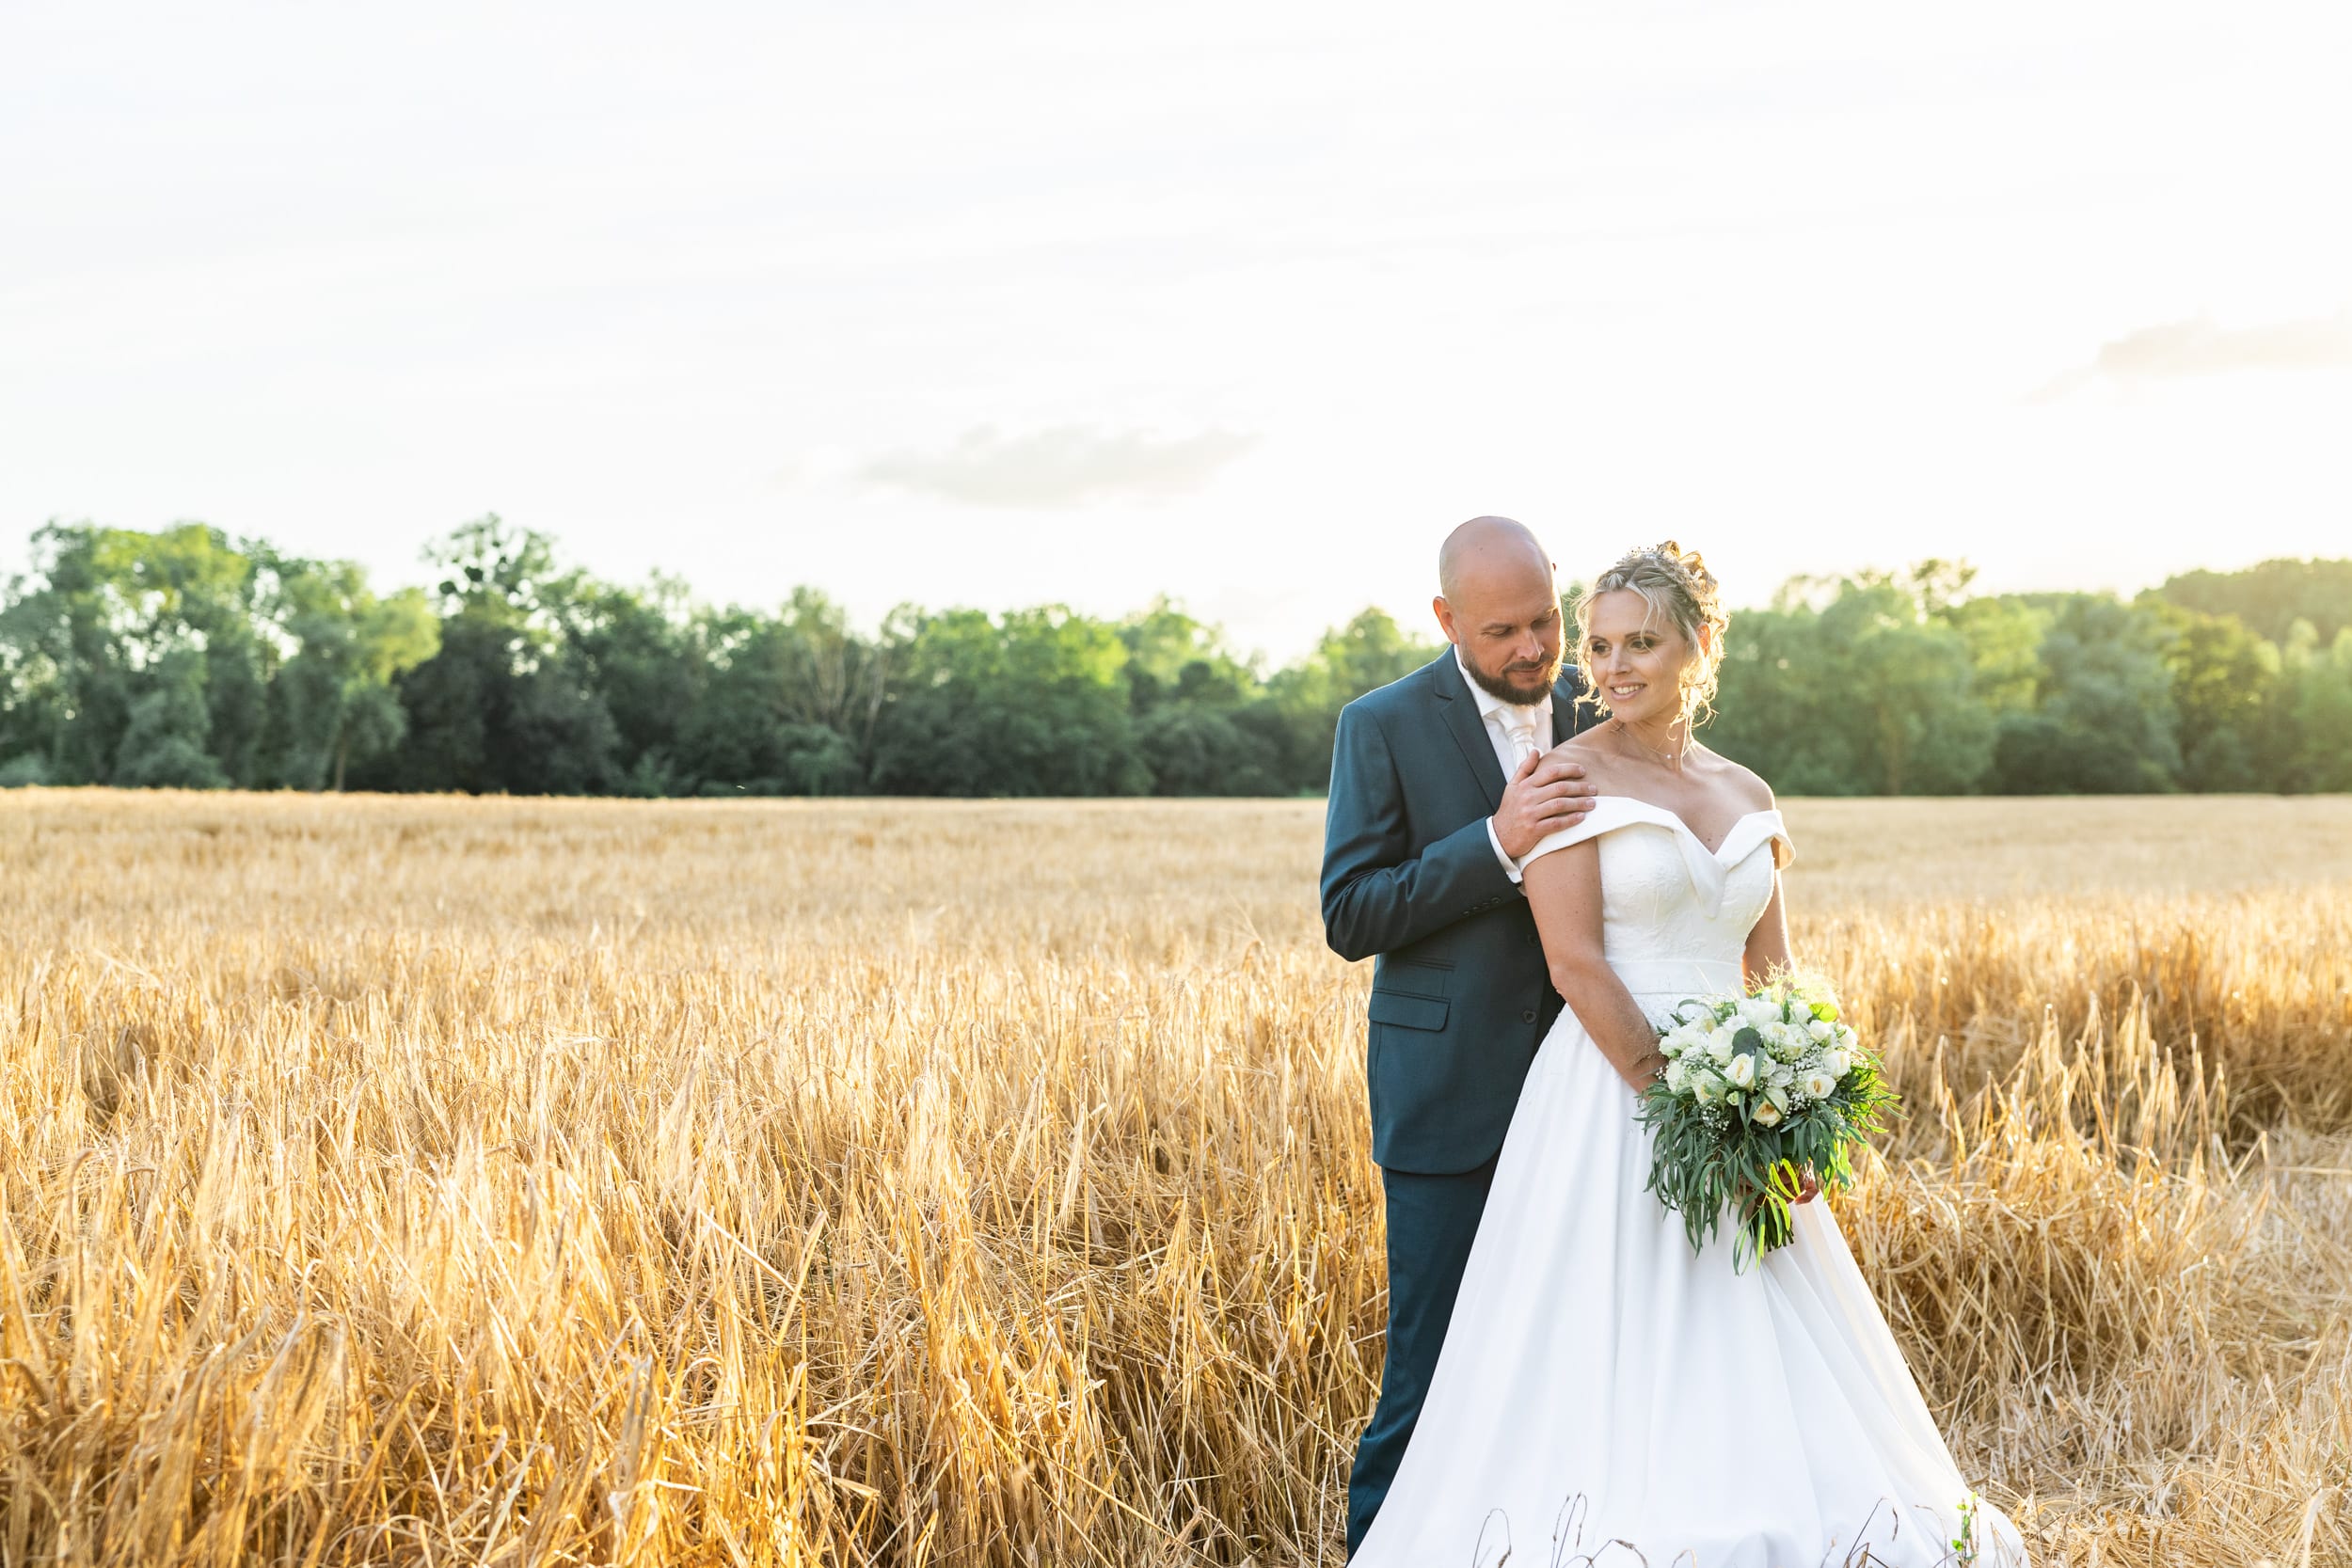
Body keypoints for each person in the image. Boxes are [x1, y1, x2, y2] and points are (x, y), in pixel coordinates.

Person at [1346, 542, 2027, 1567]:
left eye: (1637, 643)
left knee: (1741, 1329)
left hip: (1741, 1097)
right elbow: (1575, 964)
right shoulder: (1555, 774)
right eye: (1600, 645)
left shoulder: (1745, 789)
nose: (1605, 665)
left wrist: (1800, 1103)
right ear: (1452, 621)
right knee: (1509, 1357)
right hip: (1611, 1098)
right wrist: (1693, 1109)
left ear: (1699, 645)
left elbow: (1778, 970)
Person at [1320, 515, 1605, 1556]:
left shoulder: (1604, 705)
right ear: (1445, 620)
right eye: (1502, 632)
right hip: (1446, 1102)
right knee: (1427, 1373)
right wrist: (1494, 843)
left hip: (1588, 1098)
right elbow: (1350, 911)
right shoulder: (1381, 723)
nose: (1533, 649)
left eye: (1545, 621)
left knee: (1579, 1366)